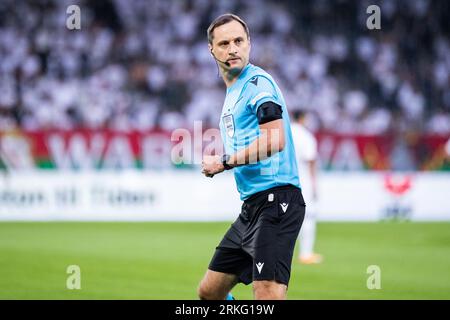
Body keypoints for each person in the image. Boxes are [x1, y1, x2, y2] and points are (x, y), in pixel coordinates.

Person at [198, 13, 305, 300]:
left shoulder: (258, 83)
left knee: (267, 294)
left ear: (249, 43)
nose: (232, 48)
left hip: (278, 201)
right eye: (224, 43)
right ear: (212, 49)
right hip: (252, 207)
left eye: (238, 41)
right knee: (210, 293)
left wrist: (223, 162)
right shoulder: (233, 92)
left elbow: (275, 138)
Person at [291, 110, 323, 264]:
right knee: (308, 216)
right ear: (303, 118)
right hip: (303, 181)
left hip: (285, 180)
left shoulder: (285, 133)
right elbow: (311, 161)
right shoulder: (306, 136)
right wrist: (315, 184)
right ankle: (306, 253)